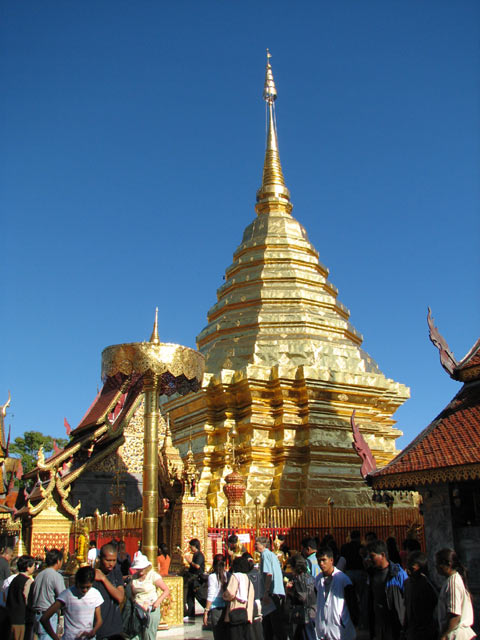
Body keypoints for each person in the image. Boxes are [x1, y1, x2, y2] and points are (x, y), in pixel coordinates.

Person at [41, 566, 103, 640]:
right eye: (82, 587)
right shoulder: (67, 595)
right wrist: (55, 638)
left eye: (88, 587)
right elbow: (44, 618)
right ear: (77, 582)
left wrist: (93, 631)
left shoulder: (95, 594)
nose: (85, 590)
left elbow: (99, 620)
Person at [367, 539, 407, 640]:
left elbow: (408, 597)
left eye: (372, 556)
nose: (370, 559)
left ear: (383, 555)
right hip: (379, 624)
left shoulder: (398, 574)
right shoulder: (371, 574)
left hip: (396, 624)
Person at [315, 546, 358, 640]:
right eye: (319, 561)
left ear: (331, 560)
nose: (321, 564)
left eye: (323, 560)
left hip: (341, 631)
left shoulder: (343, 580)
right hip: (323, 632)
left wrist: (354, 623)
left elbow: (353, 604)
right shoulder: (318, 580)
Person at [435, 548, 475, 640]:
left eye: (438, 564)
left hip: (457, 635)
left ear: (448, 564)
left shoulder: (453, 583)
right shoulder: (452, 580)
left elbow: (455, 615)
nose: (436, 567)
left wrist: (444, 636)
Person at [130, 552, 170, 640]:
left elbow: (166, 590)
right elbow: (132, 594)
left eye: (141, 568)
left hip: (151, 609)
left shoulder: (153, 575)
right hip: (138, 609)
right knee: (136, 636)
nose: (140, 570)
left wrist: (157, 602)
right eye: (138, 569)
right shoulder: (134, 577)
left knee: (148, 635)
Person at [255, 535, 287, 640]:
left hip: (272, 592)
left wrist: (266, 591)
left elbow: (268, 574)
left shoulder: (265, 554)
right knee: (273, 622)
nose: (255, 546)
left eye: (257, 543)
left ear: (263, 545)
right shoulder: (272, 555)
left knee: (273, 622)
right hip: (277, 591)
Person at [31, 549, 65, 640]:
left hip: (36, 614)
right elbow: (63, 596)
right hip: (48, 615)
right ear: (58, 561)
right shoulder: (56, 576)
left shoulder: (39, 575)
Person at [93, 543, 125, 640]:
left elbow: (120, 597)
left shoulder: (116, 574)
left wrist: (103, 579)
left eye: (114, 560)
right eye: (108, 560)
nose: (111, 564)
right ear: (100, 558)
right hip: (98, 629)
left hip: (115, 629)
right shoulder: (93, 576)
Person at [404, 550, 438, 640]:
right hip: (412, 630)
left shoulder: (427, 584)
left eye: (412, 568)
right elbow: (407, 607)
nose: (409, 571)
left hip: (426, 630)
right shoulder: (407, 583)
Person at [340, 530, 368, 629]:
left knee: (350, 598)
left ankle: (352, 619)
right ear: (359, 537)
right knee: (363, 598)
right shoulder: (362, 548)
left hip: (348, 573)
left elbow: (342, 561)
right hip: (360, 572)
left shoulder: (344, 547)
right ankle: (363, 621)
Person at [224, 555, 255, 640]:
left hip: (235, 614)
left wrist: (224, 595)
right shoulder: (249, 580)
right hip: (246, 615)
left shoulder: (235, 577)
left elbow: (231, 593)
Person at [286, 554, 316, 640]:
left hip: (304, 615)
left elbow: (302, 597)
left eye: (291, 567)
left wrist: (291, 592)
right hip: (312, 612)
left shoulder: (299, 579)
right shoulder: (309, 577)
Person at [6, 554, 36, 640]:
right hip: (22, 620)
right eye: (33, 566)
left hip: (10, 619)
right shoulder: (28, 582)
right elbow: (29, 601)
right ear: (28, 567)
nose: (34, 568)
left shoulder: (14, 580)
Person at [203, 553, 229, 640]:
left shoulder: (212, 577)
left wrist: (206, 611)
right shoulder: (227, 575)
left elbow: (211, 594)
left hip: (216, 608)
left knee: (218, 634)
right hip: (226, 606)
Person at [183, 538, 205, 622]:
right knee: (189, 597)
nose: (190, 548)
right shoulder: (195, 554)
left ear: (195, 546)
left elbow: (197, 566)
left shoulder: (199, 555)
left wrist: (189, 561)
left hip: (197, 579)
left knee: (200, 597)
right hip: (192, 579)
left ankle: (209, 610)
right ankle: (191, 614)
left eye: (191, 546)